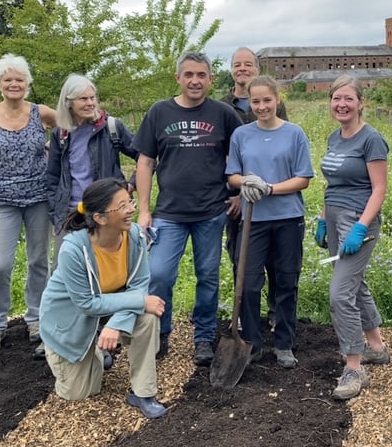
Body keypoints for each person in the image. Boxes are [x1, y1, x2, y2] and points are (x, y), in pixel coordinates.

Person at [132, 52, 243, 364]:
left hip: (211, 211)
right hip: (169, 212)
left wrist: (239, 195)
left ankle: (204, 337)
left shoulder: (223, 114)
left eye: (202, 75)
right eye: (189, 74)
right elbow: (145, 162)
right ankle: (160, 332)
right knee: (160, 274)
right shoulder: (159, 112)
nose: (196, 80)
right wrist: (144, 209)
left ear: (210, 79)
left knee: (208, 275)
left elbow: (241, 156)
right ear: (178, 78)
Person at [39, 178, 167, 419]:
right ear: (100, 218)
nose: (132, 209)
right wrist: (139, 301)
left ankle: (143, 392)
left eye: (130, 201)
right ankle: (92, 350)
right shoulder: (73, 250)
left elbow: (139, 285)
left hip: (109, 304)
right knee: (79, 392)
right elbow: (86, 303)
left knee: (148, 316)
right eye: (122, 206)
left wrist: (117, 324)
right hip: (70, 320)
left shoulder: (136, 237)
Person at [225, 76, 313, 368]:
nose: (261, 106)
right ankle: (251, 342)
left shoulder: (295, 134)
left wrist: (270, 188)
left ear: (278, 100)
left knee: (286, 281)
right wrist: (245, 181)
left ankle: (284, 344)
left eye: (267, 100)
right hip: (254, 220)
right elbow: (232, 175)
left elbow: (303, 179)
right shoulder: (241, 135)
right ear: (249, 102)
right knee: (248, 283)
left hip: (288, 217)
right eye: (256, 101)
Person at [0, 53, 56, 350]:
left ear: (27, 83)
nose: (14, 84)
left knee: (38, 261)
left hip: (39, 199)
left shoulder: (41, 113)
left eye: (19, 79)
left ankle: (37, 319)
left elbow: (69, 127)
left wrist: (53, 150)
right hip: (1, 202)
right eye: (8, 79)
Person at [316, 75, 389, 400]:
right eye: (336, 99)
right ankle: (376, 346)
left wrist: (361, 227)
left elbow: (380, 189)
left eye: (348, 98)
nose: (341, 104)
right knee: (354, 284)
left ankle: (355, 366)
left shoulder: (371, 139)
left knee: (339, 294)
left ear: (361, 103)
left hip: (359, 221)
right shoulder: (335, 137)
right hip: (333, 217)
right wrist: (321, 219)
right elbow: (333, 183)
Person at [220, 47, 289, 328]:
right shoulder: (223, 105)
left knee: (275, 259)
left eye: (248, 64)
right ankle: (245, 316)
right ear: (232, 69)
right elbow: (225, 154)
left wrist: (265, 188)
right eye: (238, 64)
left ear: (257, 69)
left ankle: (274, 312)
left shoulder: (274, 104)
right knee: (241, 256)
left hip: (271, 195)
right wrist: (238, 193)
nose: (243, 69)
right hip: (237, 196)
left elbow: (279, 147)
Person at [46, 74, 138, 270]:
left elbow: (145, 157)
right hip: (70, 214)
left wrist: (130, 184)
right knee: (63, 270)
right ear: (69, 103)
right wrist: (56, 216)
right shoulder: (60, 134)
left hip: (106, 212)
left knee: (106, 268)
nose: (90, 103)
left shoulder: (112, 127)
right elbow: (52, 178)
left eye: (92, 97)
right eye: (83, 99)